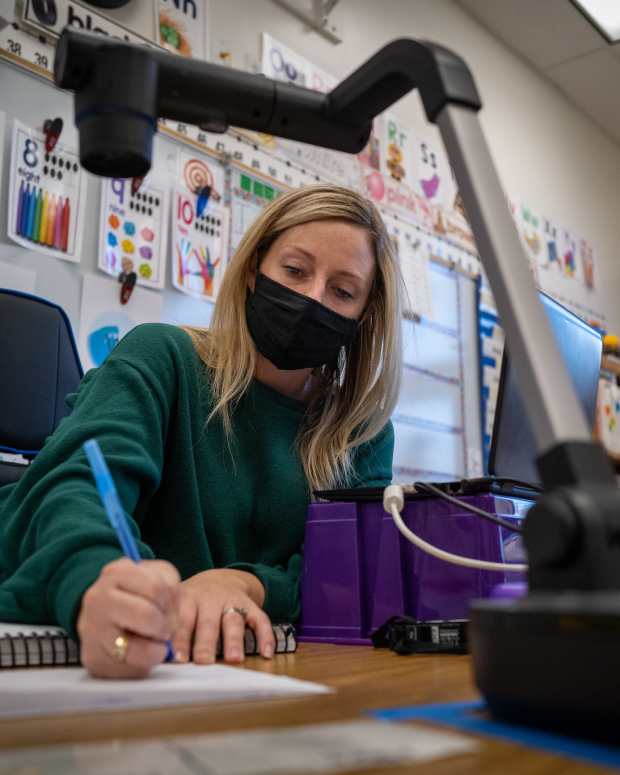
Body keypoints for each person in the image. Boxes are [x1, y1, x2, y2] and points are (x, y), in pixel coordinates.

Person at [0, 184, 403, 678]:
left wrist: (241, 586)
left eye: (342, 291)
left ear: (364, 315)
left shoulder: (361, 432)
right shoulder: (163, 355)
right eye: (295, 270)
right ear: (255, 268)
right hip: (116, 660)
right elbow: (73, 488)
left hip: (257, 670)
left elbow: (352, 577)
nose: (311, 297)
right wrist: (94, 580)